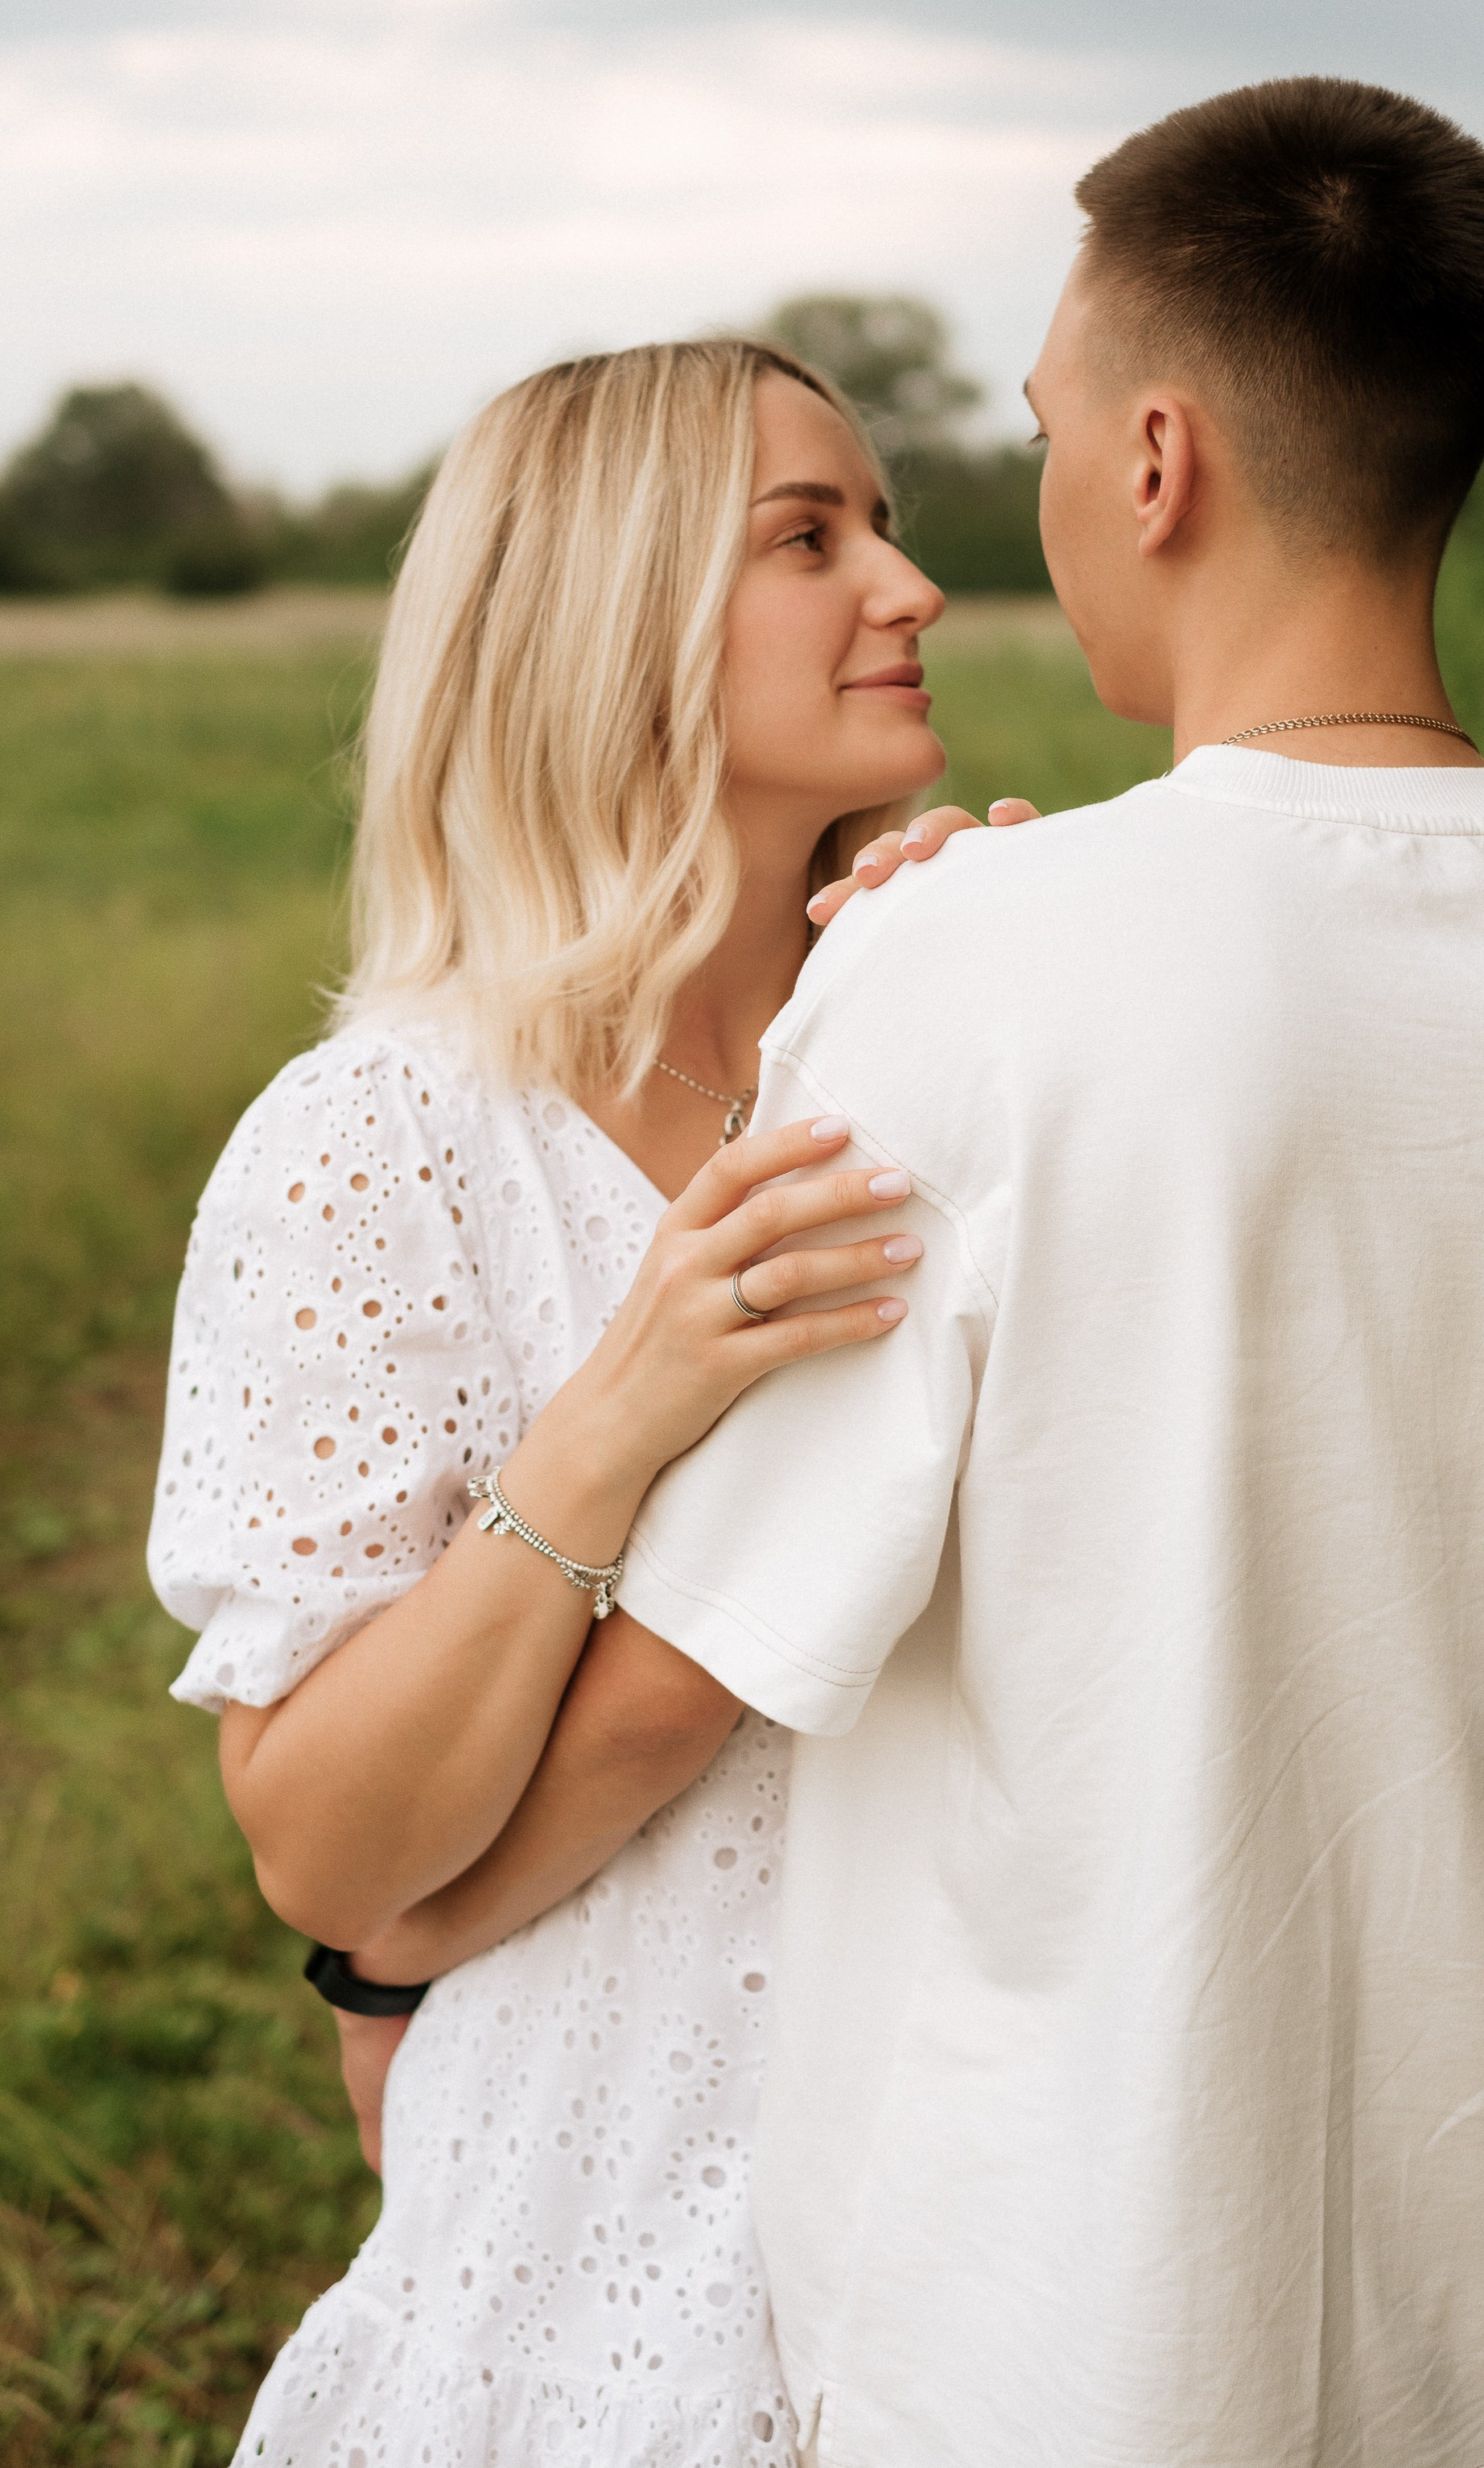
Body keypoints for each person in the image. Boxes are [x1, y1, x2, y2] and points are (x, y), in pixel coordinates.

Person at [608, 80, 1484, 2466]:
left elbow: (705, 1672)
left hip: (1014, 2338)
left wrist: (371, 1930)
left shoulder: (961, 964)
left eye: (1046, 430)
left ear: (1155, 461)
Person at [146, 336, 1033, 2465]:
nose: (907, 590)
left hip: (1021, 2203)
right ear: (608, 621)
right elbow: (336, 1858)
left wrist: (1019, 1001)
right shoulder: (379, 1145)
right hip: (598, 2239)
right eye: (810, 539)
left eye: (886, 529)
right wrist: (611, 1416)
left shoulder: (982, 1020)